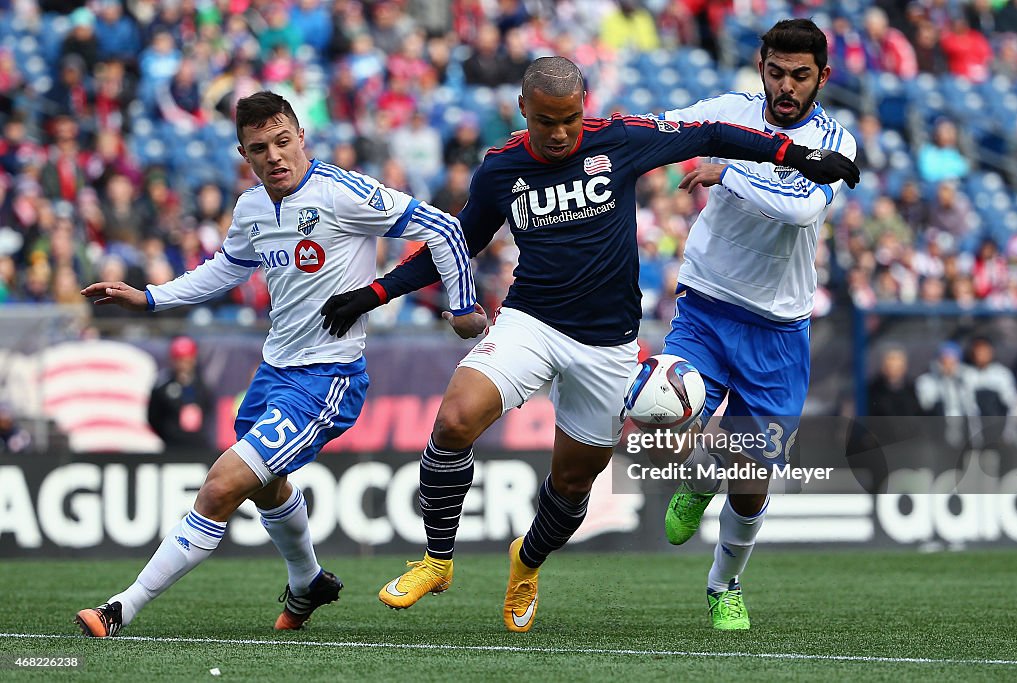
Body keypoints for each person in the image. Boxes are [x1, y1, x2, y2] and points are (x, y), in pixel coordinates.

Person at [318, 56, 858, 632]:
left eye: (571, 119)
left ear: (584, 107)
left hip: (608, 349)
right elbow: (456, 242)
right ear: (523, 110)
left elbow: (713, 133)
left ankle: (526, 563)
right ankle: (437, 560)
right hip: (531, 323)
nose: (560, 134)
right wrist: (373, 292)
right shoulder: (501, 170)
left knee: (573, 484)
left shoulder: (619, 140)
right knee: (453, 421)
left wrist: (798, 156)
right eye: (547, 121)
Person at [74, 90, 486, 638]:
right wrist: (149, 298)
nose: (274, 155)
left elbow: (444, 228)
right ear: (245, 155)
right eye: (259, 147)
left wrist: (460, 307)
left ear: (301, 136)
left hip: (328, 378)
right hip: (272, 374)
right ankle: (308, 581)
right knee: (266, 487)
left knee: (221, 485)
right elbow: (225, 269)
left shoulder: (341, 193)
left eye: (283, 140)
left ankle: (120, 608)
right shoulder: (250, 208)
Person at [655, 19, 858, 630]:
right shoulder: (731, 112)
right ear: (761, 66)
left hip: (778, 326)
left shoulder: (835, 141)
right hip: (707, 302)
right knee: (662, 409)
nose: (786, 87)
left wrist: (728, 172)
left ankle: (724, 584)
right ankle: (695, 474)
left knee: (750, 482)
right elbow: (663, 128)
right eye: (776, 72)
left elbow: (798, 210)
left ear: (823, 76)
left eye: (800, 75)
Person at [147, 336, 215, 451]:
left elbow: (208, 409)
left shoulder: (202, 385)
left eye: (187, 360)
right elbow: (153, 417)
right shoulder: (163, 385)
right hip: (172, 446)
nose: (183, 365)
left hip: (198, 446)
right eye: (180, 360)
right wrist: (169, 433)